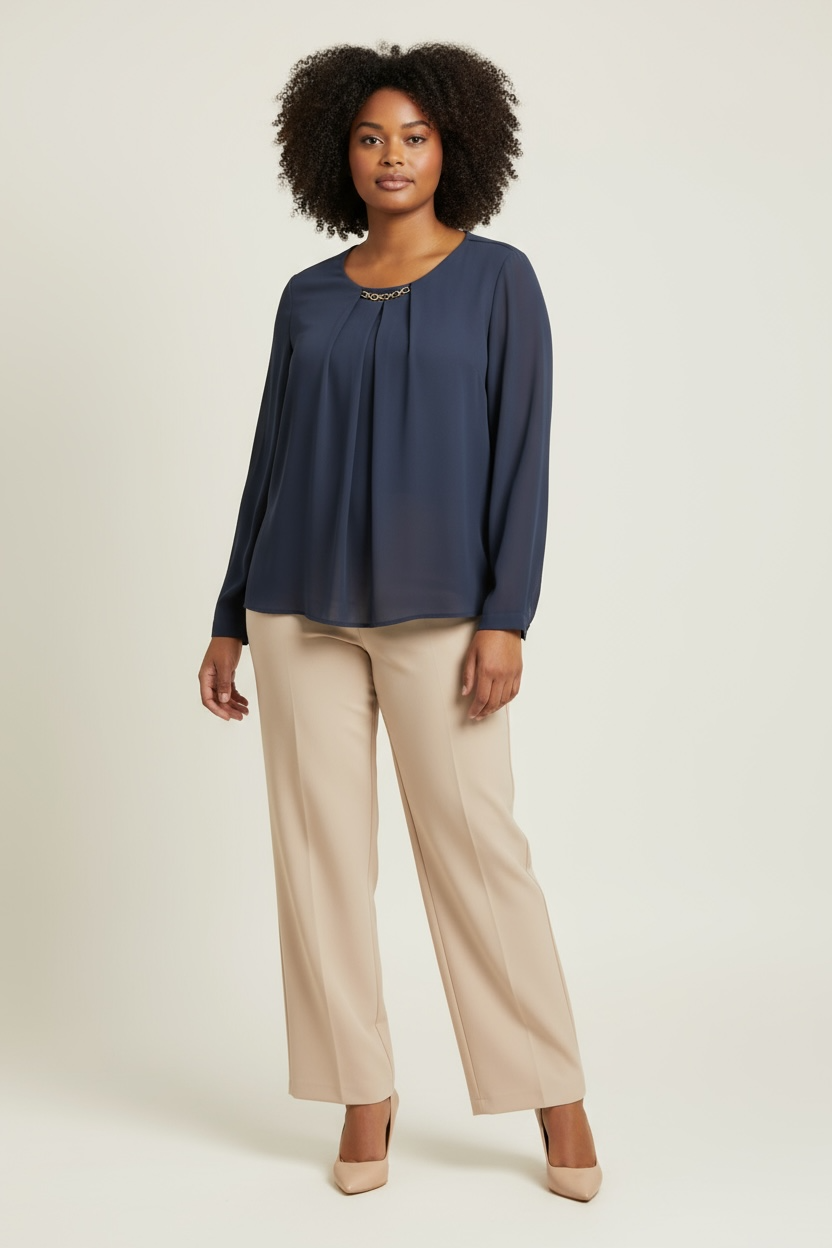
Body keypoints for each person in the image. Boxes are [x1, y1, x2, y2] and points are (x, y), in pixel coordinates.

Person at [198, 40, 602, 1200]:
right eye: (371, 137)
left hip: (443, 615)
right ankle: (362, 1092)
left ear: (451, 148)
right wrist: (228, 616)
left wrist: (505, 615)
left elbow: (522, 457)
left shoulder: (499, 281)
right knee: (318, 857)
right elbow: (270, 460)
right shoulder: (308, 296)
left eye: (414, 137)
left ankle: (554, 1093)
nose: (391, 156)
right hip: (295, 608)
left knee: (477, 853)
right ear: (338, 153)